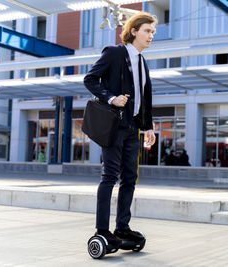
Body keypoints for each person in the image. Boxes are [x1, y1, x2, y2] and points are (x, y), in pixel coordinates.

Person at [83, 12, 157, 247]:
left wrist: (148, 128)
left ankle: (122, 228)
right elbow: (90, 79)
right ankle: (102, 230)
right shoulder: (115, 53)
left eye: (153, 32)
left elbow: (144, 98)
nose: (151, 36)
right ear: (134, 31)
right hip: (114, 126)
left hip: (133, 129)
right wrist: (111, 98)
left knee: (130, 179)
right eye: (147, 31)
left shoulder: (142, 62)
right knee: (109, 177)